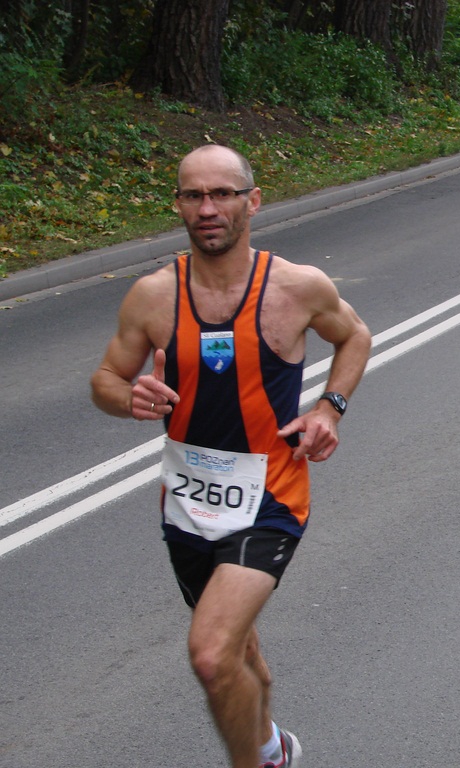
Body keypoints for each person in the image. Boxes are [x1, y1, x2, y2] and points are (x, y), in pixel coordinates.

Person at [90, 144, 373, 768]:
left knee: (212, 654)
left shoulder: (296, 287)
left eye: (222, 193)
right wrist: (127, 397)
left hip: (271, 495)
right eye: (193, 195)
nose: (208, 208)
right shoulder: (153, 296)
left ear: (253, 201)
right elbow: (106, 380)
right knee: (237, 652)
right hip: (188, 503)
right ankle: (274, 747)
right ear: (178, 205)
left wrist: (329, 409)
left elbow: (355, 334)